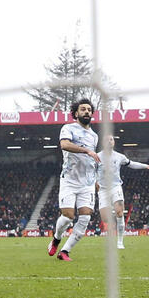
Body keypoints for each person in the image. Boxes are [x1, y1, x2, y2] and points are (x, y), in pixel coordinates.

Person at [48, 98, 101, 261]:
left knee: (85, 217)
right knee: (68, 216)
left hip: (87, 183)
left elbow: (93, 160)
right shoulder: (68, 128)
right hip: (69, 181)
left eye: (89, 110)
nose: (87, 112)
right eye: (83, 109)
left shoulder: (94, 136)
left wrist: (96, 180)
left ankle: (65, 251)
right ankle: (57, 237)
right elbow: (64, 145)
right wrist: (86, 151)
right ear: (76, 113)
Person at [97, 135, 149, 249]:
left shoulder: (119, 157)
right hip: (103, 189)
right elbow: (90, 171)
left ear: (114, 142)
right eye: (107, 140)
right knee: (105, 218)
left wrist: (145, 166)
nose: (109, 141)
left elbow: (131, 163)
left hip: (116, 187)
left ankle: (120, 242)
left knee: (119, 213)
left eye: (111, 139)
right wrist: (94, 182)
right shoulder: (97, 157)